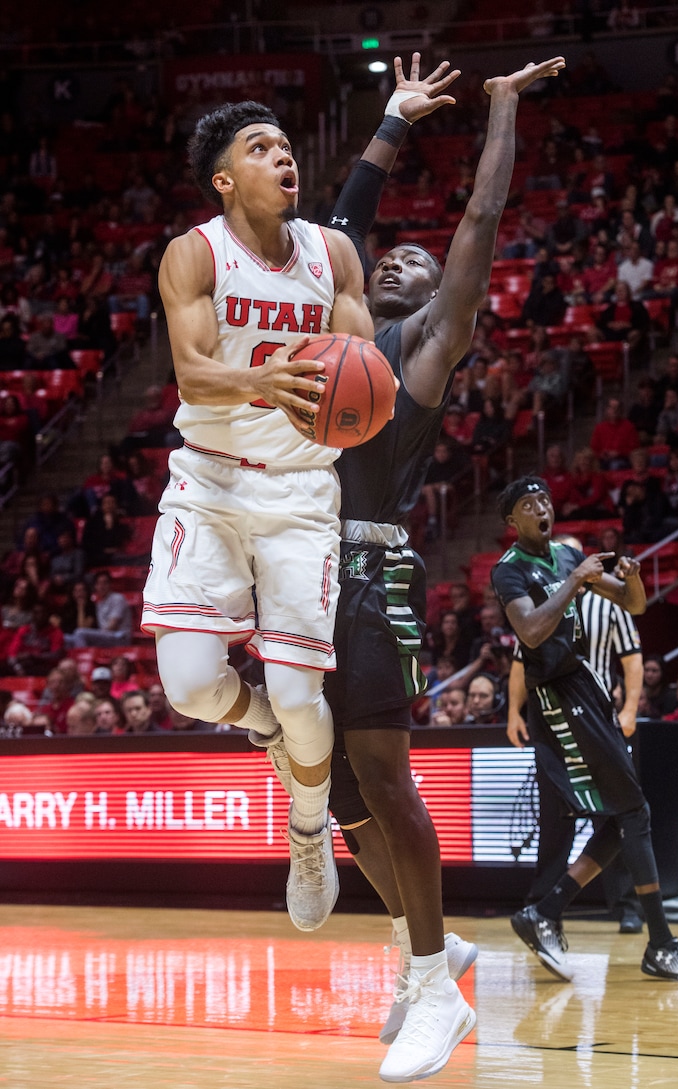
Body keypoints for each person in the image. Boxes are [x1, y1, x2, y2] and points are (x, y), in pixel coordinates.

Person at [302, 53, 563, 1083]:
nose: (402, 259)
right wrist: (391, 125)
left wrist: (497, 113)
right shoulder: (333, 332)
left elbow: (475, 230)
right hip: (295, 576)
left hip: (368, 575)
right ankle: (435, 936)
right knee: (328, 800)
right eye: (388, 257)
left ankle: (428, 985)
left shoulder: (420, 345)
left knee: (380, 772)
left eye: (417, 262)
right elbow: (337, 238)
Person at [139, 92, 373, 935]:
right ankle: (263, 723)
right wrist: (261, 382)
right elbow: (194, 372)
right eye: (262, 147)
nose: (285, 156)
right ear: (225, 180)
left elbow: (362, 371)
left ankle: (307, 831)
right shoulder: (193, 256)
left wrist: (359, 390)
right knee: (194, 686)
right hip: (209, 480)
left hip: (301, 490)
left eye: (287, 143)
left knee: (307, 695)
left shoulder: (333, 253)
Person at [491, 475, 678, 981]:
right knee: (633, 811)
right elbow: (532, 632)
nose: (541, 506)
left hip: (587, 689)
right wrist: (576, 579)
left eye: (544, 498)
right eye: (528, 503)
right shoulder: (509, 571)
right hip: (558, 696)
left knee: (621, 817)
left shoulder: (565, 556)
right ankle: (661, 943)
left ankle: (545, 912)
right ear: (512, 522)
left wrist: (628, 575)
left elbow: (634, 604)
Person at [509, 535, 646, 933]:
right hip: (553, 721)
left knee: (619, 814)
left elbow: (632, 659)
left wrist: (631, 709)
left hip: (601, 720)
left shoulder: (610, 603)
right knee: (556, 817)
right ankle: (542, 905)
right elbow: (520, 663)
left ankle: (627, 904)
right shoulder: (540, 608)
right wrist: (513, 712)